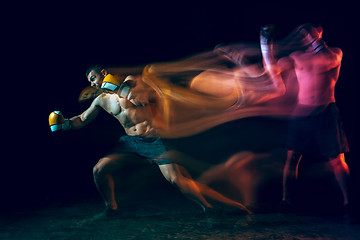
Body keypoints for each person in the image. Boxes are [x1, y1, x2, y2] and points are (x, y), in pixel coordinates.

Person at [49, 65, 251, 220]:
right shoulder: (102, 100)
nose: (92, 84)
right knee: (99, 169)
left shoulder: (132, 82)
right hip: (130, 143)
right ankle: (111, 209)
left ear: (102, 73)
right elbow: (82, 119)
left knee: (177, 180)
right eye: (90, 82)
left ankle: (210, 209)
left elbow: (140, 100)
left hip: (154, 140)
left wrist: (118, 87)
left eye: (93, 78)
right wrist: (65, 124)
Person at [260, 24, 352, 220]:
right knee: (292, 158)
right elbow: (272, 69)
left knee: (337, 161)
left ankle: (348, 203)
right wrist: (265, 43)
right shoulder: (297, 57)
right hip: (302, 114)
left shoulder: (334, 53)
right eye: (303, 32)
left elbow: (328, 60)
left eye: (309, 31)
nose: (304, 36)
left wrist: (312, 35)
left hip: (326, 112)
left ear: (320, 31)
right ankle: (286, 200)